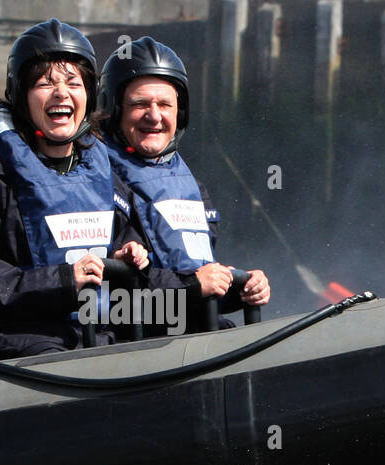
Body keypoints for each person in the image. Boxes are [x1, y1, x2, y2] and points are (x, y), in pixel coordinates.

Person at [0, 19, 152, 359]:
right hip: (13, 341)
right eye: (44, 83)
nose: (61, 93)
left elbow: (123, 239)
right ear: (21, 94)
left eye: (73, 82)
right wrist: (62, 281)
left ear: (89, 95)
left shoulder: (106, 177)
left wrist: (127, 254)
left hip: (95, 335)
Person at [97, 37, 269, 325]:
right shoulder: (96, 178)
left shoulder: (190, 185)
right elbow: (117, 295)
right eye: (140, 104)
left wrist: (243, 287)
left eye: (165, 104)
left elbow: (201, 278)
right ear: (115, 110)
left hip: (190, 329)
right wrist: (191, 288)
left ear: (181, 112)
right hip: (135, 340)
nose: (154, 116)